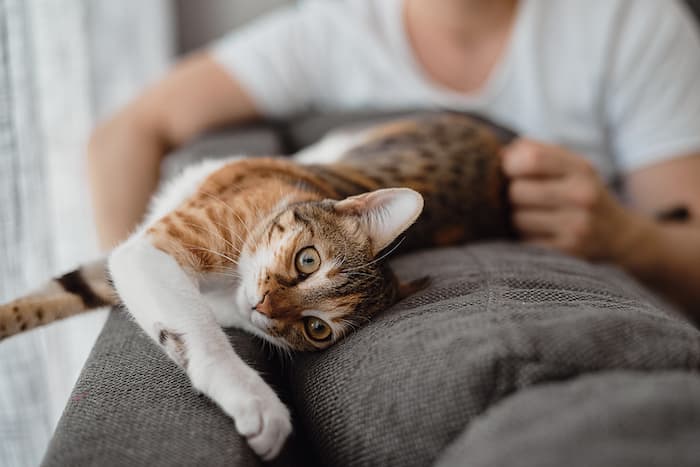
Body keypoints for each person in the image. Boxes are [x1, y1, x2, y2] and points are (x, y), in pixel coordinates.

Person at [88, 0, 700, 313]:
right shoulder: (336, 31)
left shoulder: (629, 21)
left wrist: (626, 238)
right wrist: (139, 297)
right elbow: (127, 132)